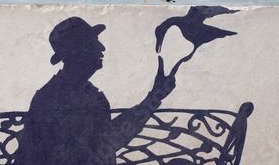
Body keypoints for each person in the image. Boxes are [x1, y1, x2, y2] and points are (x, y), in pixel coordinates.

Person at [13, 17, 176, 165]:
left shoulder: (87, 94)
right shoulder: (52, 98)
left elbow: (108, 140)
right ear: (76, 52)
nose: (102, 48)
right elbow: (105, 143)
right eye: (93, 43)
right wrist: (154, 97)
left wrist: (155, 95)